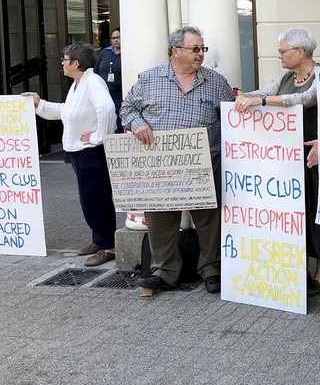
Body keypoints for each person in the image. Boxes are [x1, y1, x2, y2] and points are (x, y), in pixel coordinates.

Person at [234, 26, 320, 296]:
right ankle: (297, 268)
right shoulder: (285, 77)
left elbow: (304, 99)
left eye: (283, 51)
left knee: (317, 211)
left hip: (316, 153)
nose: (280, 56)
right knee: (294, 213)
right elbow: (265, 92)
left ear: (300, 52)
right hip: (286, 159)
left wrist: (259, 100)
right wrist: (244, 97)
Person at [120, 26, 234, 294]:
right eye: (195, 49)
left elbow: (232, 119)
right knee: (160, 221)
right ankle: (164, 272)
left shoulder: (216, 82)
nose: (200, 55)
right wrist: (136, 124)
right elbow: (127, 108)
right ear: (175, 51)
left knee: (209, 221)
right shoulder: (149, 79)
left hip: (206, 166)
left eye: (202, 49)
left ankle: (212, 269)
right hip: (161, 169)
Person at [23, 43, 117, 266]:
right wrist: (40, 104)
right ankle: (99, 240)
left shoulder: (93, 82)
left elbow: (107, 109)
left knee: (95, 200)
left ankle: (108, 247)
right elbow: (68, 111)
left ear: (76, 63)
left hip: (91, 153)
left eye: (64, 60)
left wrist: (98, 137)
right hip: (80, 153)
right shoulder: (78, 84)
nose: (62, 65)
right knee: (90, 199)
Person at [95, 28, 123, 133]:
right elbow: (96, 70)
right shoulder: (104, 52)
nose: (116, 40)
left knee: (119, 118)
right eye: (113, 38)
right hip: (105, 91)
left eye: (118, 37)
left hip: (121, 92)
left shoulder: (129, 53)